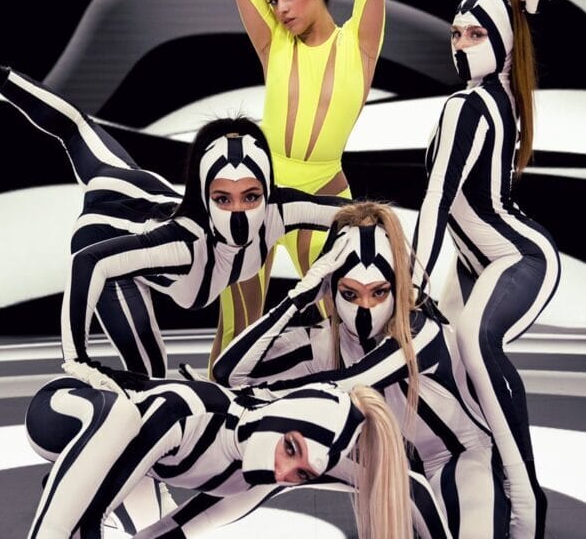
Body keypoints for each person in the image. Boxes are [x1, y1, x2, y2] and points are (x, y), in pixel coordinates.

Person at [0, 31, 348, 383]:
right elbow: (89, 263)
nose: (239, 214)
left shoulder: (280, 210)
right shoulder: (184, 247)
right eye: (223, 198)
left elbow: (359, 215)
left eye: (250, 196)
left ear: (268, 192)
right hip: (103, 236)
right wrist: (76, 358)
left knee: (77, 128)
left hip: (133, 182)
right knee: (150, 379)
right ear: (204, 199)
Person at [207, 0, 396, 364]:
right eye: (272, 0)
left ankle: (355, 409)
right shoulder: (273, 44)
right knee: (237, 326)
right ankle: (216, 404)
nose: (280, 8)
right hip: (262, 197)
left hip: (325, 198)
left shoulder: (359, 44)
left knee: (348, 326)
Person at [410, 0, 582, 539]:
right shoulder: (495, 96)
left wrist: (411, 282)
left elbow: (437, 200)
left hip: (519, 258)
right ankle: (482, 501)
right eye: (456, 34)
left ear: (502, 42)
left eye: (475, 34)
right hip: (480, 264)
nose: (460, 45)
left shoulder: (471, 106)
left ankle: (525, 505)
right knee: (454, 366)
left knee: (474, 343)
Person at [213, 202, 507, 537]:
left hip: (461, 459)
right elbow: (229, 372)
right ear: (330, 286)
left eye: (379, 292)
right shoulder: (323, 342)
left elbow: (353, 381)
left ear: (397, 283)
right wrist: (297, 297)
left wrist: (265, 397)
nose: (364, 307)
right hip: (395, 473)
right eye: (349, 293)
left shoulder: (420, 331)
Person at [24, 372, 411, 539]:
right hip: (67, 410)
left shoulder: (262, 476)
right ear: (277, 417)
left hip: (140, 465)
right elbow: (86, 521)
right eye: (291, 448)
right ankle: (63, 488)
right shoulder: (188, 414)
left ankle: (71, 485)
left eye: (303, 474)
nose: (284, 472)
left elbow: (396, 483)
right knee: (120, 419)